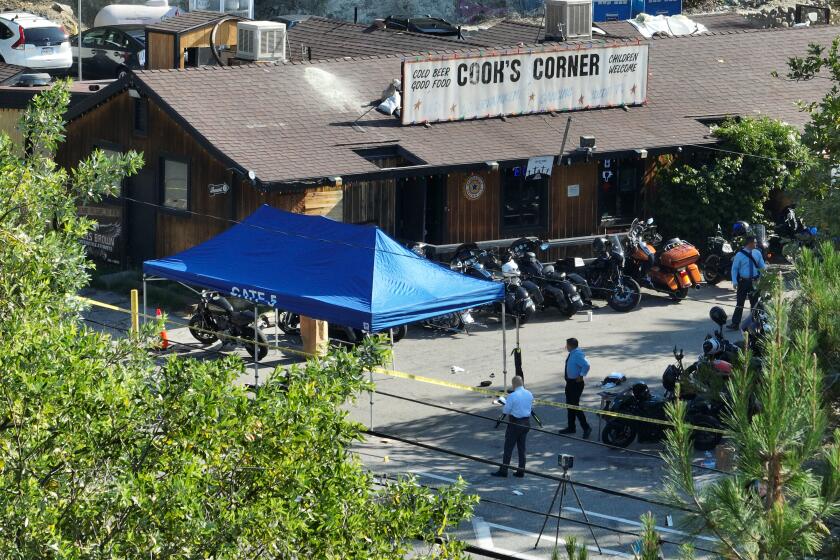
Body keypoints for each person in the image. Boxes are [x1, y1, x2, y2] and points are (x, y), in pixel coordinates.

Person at [491, 376, 533, 478]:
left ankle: (504, 470)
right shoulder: (529, 394)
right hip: (526, 422)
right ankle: (521, 471)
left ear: (513, 384)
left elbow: (505, 411)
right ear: (522, 383)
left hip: (515, 423)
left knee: (508, 447)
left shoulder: (512, 396)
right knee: (522, 448)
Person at [728, 235, 766, 330]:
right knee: (740, 303)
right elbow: (734, 269)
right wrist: (735, 281)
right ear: (750, 243)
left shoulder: (757, 253)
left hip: (754, 281)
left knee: (754, 304)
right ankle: (735, 323)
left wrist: (764, 279)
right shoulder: (739, 255)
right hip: (743, 281)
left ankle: (754, 323)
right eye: (755, 242)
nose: (756, 244)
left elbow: (762, 267)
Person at [558, 338, 592, 439]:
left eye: (567, 345)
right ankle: (571, 427)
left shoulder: (577, 354)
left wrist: (581, 375)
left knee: (574, 406)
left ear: (570, 346)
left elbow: (586, 365)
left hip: (575, 384)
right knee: (570, 406)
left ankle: (586, 428)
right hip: (570, 383)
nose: (566, 347)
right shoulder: (573, 352)